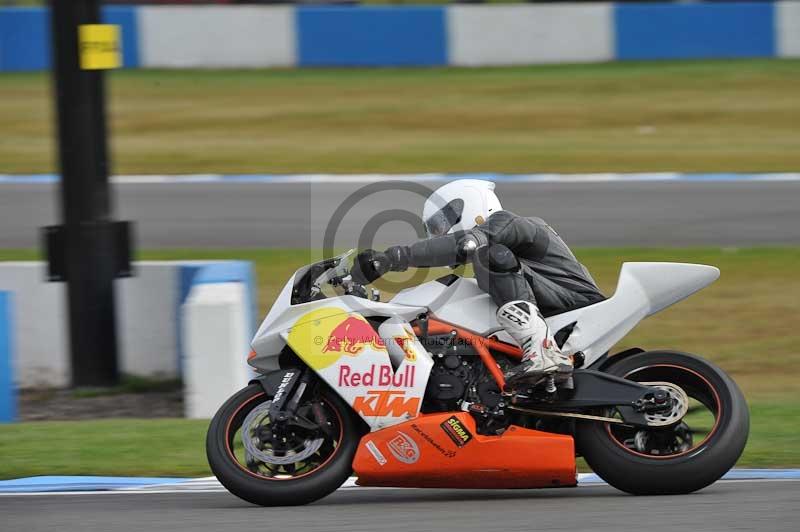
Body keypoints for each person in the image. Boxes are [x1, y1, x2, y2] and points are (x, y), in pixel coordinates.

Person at [351, 179, 605, 390]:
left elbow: (464, 244)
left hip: (573, 304)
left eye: (440, 224)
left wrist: (393, 258)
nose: (439, 233)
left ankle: (543, 350)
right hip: (551, 306)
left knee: (489, 255)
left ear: (469, 205)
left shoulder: (512, 223)